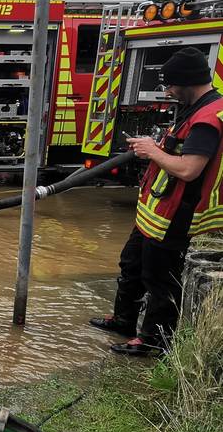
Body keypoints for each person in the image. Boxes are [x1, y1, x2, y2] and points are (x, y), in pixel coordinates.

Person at [90, 46, 223, 355]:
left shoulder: (206, 119)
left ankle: (153, 342)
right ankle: (124, 320)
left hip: (176, 214)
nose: (169, 91)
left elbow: (189, 170)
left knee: (159, 279)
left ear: (187, 82)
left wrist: (152, 151)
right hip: (155, 211)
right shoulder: (196, 107)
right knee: (131, 263)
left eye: (172, 85)